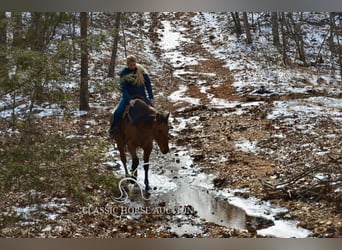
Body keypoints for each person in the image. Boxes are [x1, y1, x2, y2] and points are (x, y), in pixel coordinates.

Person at [108, 55, 155, 137]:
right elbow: (124, 88)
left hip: (142, 96)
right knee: (118, 111)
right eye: (130, 65)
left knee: (154, 111)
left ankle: (155, 131)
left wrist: (151, 97)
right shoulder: (124, 73)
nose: (132, 67)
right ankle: (113, 129)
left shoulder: (142, 72)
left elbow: (148, 85)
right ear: (127, 64)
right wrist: (129, 100)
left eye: (134, 65)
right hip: (128, 97)